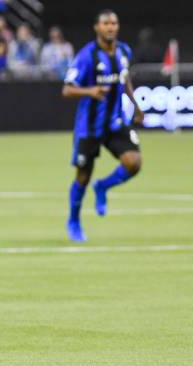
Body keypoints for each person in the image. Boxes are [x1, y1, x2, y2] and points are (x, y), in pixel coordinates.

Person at [62, 9, 144, 242]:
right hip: (88, 127)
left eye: (114, 23)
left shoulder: (124, 51)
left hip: (116, 122)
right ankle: (74, 220)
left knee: (134, 163)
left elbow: (125, 79)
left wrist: (135, 105)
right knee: (82, 177)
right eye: (106, 23)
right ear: (97, 28)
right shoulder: (87, 56)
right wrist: (90, 90)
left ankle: (103, 187)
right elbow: (67, 89)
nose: (110, 27)